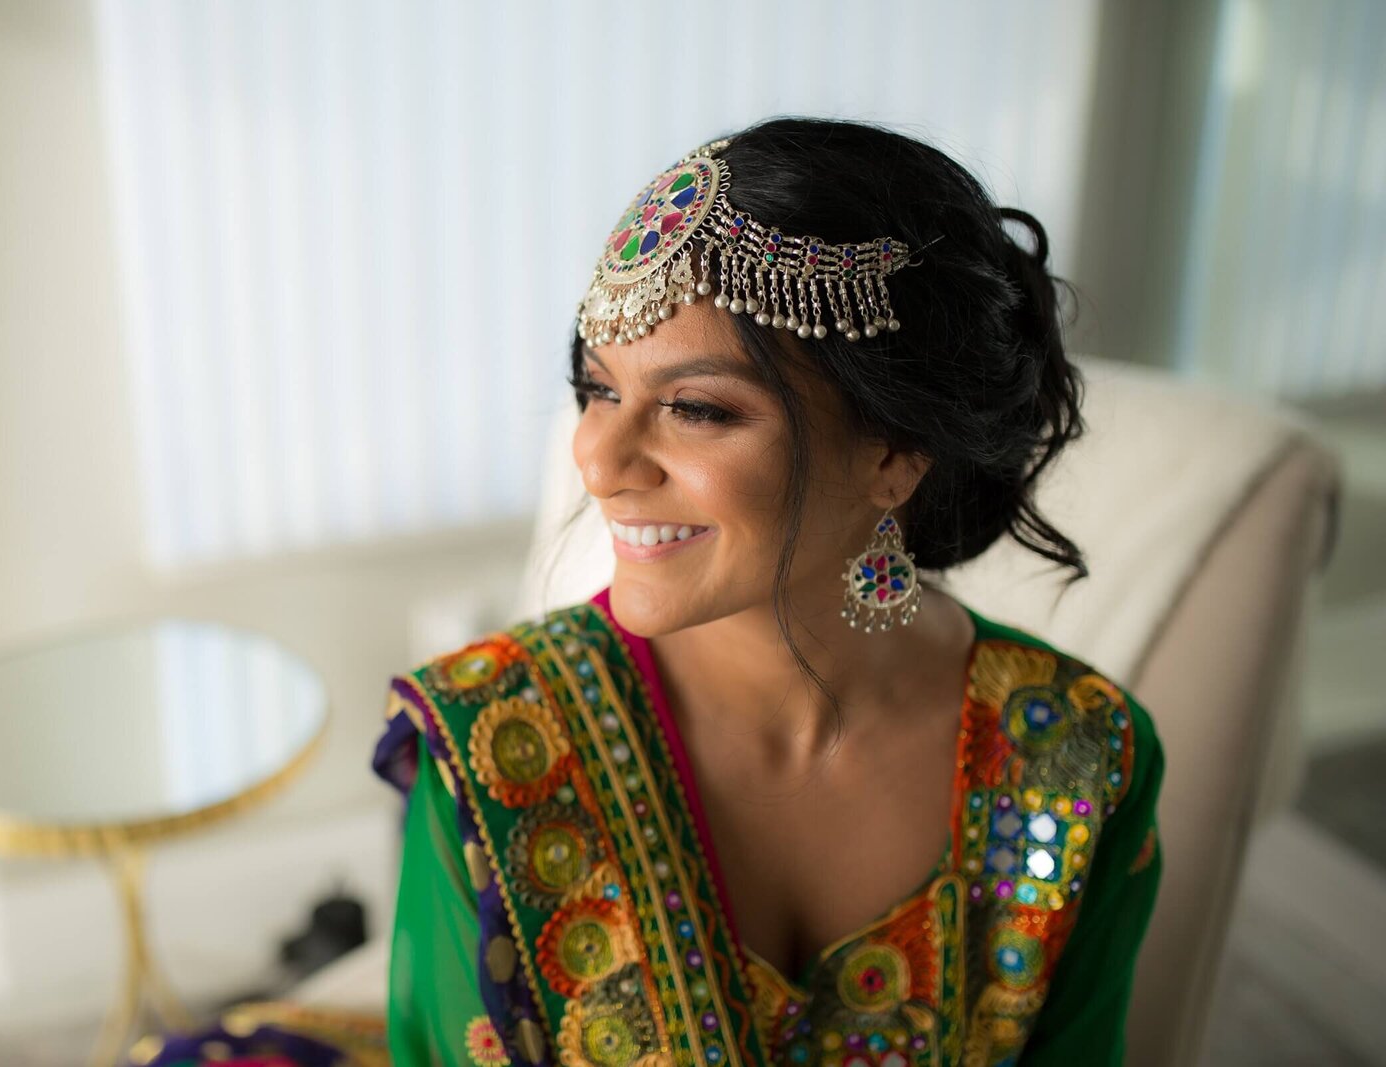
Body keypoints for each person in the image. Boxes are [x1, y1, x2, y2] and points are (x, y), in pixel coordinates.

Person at [370, 116, 1163, 1067]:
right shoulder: (491, 745)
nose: (598, 459)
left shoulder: (1074, 754)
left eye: (696, 408)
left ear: (896, 454)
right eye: (596, 388)